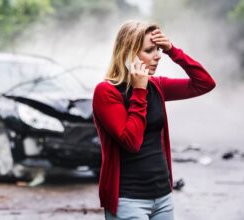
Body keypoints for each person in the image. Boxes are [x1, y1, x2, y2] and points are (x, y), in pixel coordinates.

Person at [92, 20, 216, 220]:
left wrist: (172, 50)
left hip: (163, 198)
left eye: (158, 49)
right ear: (128, 54)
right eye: (150, 50)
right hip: (128, 201)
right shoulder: (107, 92)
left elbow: (205, 83)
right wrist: (139, 90)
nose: (158, 56)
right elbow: (131, 141)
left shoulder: (157, 86)